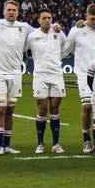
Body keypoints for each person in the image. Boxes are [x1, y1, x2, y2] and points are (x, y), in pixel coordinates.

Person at [0, 0, 31, 154]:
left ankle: (7, 145)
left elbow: (41, 33)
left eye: (14, 10)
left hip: (16, 75)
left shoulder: (24, 27)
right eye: (9, 10)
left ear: (18, 12)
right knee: (0, 108)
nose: (11, 12)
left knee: (10, 110)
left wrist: (55, 28)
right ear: (4, 11)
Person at [66, 3, 95, 154]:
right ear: (86, 16)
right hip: (84, 74)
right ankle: (86, 140)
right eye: (92, 19)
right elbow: (66, 50)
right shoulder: (76, 31)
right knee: (87, 106)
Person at [27, 9, 67, 154]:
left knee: (55, 109)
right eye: (44, 18)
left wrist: (58, 59)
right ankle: (40, 144)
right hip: (40, 76)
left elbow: (67, 46)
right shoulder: (32, 36)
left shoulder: (58, 33)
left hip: (56, 75)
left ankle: (56, 144)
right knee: (43, 109)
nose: (47, 20)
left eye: (49, 17)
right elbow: (22, 49)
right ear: (39, 20)